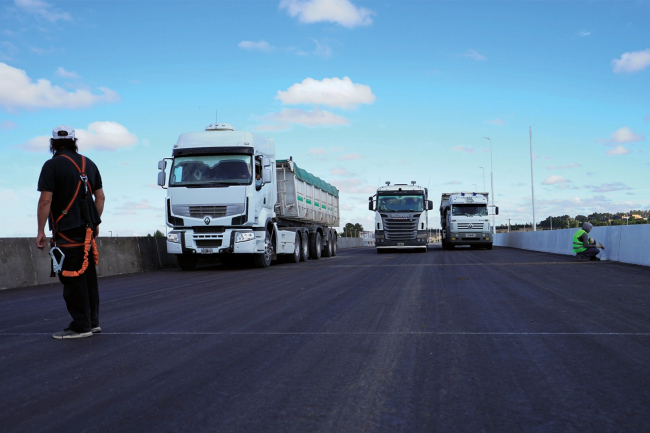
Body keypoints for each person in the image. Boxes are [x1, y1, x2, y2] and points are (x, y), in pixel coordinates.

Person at [36, 126, 105, 339]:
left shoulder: (51, 166)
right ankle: (92, 323)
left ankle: (81, 326)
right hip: (86, 231)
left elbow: (46, 200)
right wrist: (94, 222)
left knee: (72, 279)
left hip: (65, 232)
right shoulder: (89, 164)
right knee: (88, 278)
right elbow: (100, 197)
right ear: (75, 141)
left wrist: (40, 230)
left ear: (52, 143)